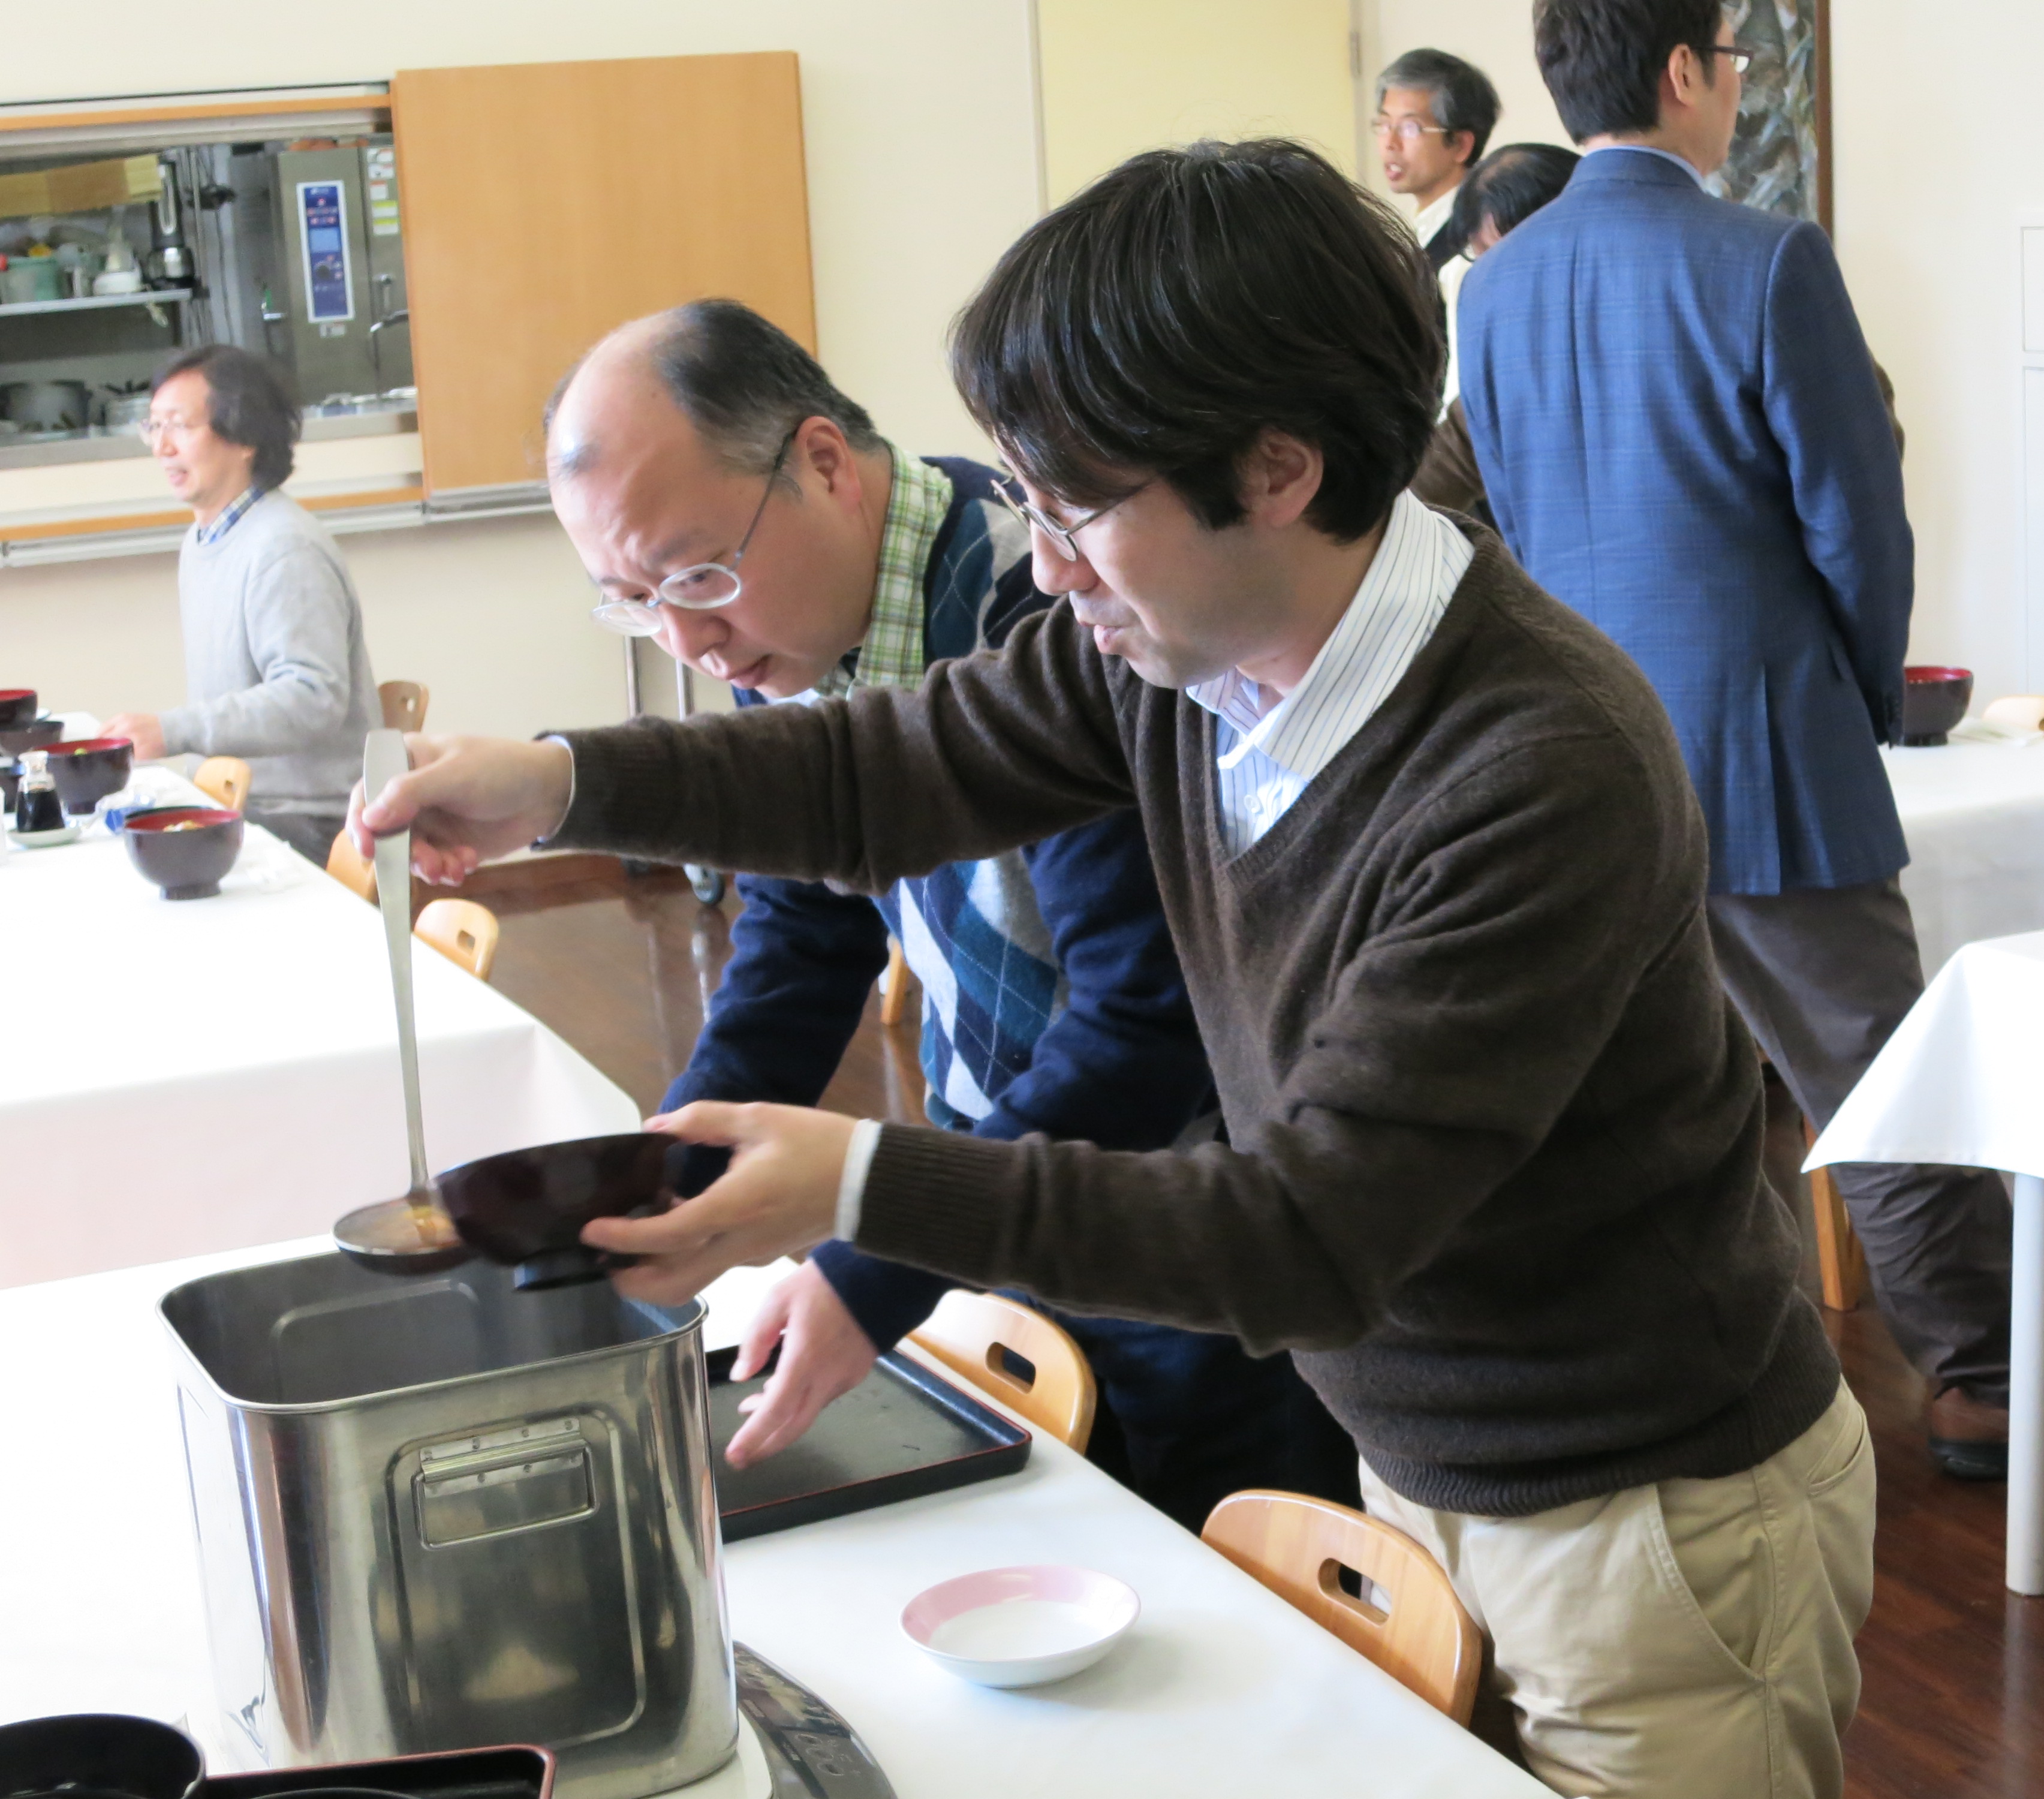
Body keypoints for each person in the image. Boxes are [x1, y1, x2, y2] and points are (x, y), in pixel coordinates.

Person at [357, 140, 1875, 1799]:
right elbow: (883, 769)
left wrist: (861, 1187)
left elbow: (1307, 1234)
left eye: (1075, 506)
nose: (1046, 563)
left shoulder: (1533, 764)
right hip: (1424, 1452)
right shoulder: (1178, 657)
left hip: (1648, 1511)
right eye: (1028, 502)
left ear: (1276, 470)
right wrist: (559, 783)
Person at [1460, 0, 2044, 1481]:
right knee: (1881, 1080)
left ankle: (1725, 1366)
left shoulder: (1498, 283)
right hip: (1761, 741)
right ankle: (1991, 1384)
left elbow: (1512, 525)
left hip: (1578, 756)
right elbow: (1857, 523)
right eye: (1729, 60)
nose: (1734, 85)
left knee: (1665, 1095)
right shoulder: (1766, 257)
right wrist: (1852, 695)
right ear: (1681, 72)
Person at [544, 297, 1356, 1529]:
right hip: (994, 1191)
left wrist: (880, 1252)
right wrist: (669, 1180)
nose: (688, 637)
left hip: (1181, 1219)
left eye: (698, 574)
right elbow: (805, 930)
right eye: (634, 598)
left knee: (1214, 1562)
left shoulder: (1050, 612)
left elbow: (1147, 1025)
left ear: (825, 464)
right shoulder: (791, 625)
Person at [100, 345, 378, 865]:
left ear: (244, 437)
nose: (161, 447)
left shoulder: (283, 547)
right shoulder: (204, 539)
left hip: (307, 822)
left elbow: (312, 698)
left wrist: (172, 730)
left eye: (179, 426)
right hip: (237, 802)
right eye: (153, 426)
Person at [1410, 143, 1582, 519]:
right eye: (1482, 261)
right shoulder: (1513, 362)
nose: (1497, 284)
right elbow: (1447, 462)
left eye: (1506, 260)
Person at [1374, 47, 1502, 405]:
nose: (1390, 143)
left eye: (1410, 128)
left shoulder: (1475, 242)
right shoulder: (1419, 231)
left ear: (1460, 144)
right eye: (1383, 124)